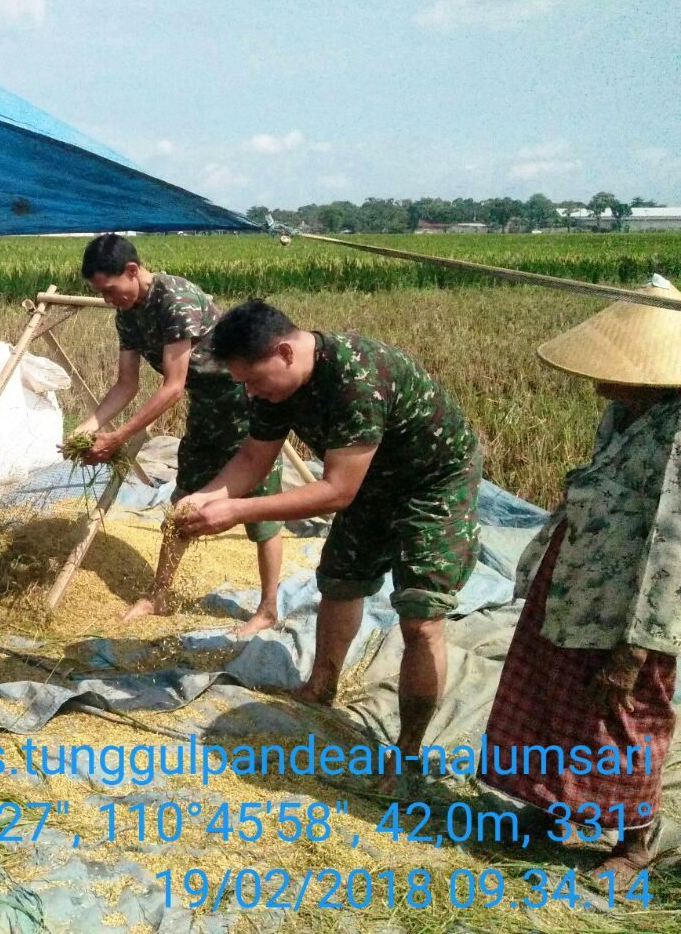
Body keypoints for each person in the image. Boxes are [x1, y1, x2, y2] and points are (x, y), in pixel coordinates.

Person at [176, 299, 481, 788]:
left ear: (284, 352)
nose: (249, 391)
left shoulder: (355, 380)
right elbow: (253, 459)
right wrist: (207, 496)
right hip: (369, 483)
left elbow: (337, 491)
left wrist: (237, 511)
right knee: (339, 581)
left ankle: (407, 752)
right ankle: (320, 687)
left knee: (420, 616)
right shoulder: (274, 388)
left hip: (432, 484)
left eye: (252, 380)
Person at [479, 273, 681, 884]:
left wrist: (640, 643)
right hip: (574, 580)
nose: (598, 381)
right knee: (551, 694)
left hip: (633, 604)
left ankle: (635, 840)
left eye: (614, 368)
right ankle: (550, 806)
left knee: (625, 712)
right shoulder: (623, 412)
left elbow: (673, 545)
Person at [76, 234, 283, 632]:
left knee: (261, 509)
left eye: (110, 289)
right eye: (100, 293)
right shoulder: (127, 314)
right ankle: (159, 595)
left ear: (132, 270)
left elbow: (173, 386)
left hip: (246, 406)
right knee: (183, 502)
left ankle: (268, 608)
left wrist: (119, 438)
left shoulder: (175, 298)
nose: (107, 299)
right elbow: (126, 384)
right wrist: (88, 428)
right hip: (206, 410)